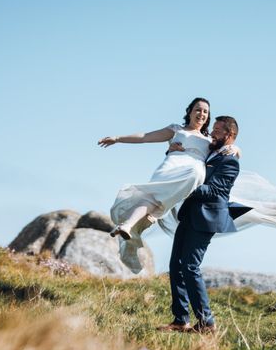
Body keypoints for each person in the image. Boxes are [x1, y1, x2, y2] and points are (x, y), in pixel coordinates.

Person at [98, 98, 238, 273]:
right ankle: (128, 225)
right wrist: (118, 138)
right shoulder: (176, 130)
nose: (201, 114)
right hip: (170, 167)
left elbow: (228, 147)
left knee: (172, 191)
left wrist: (237, 149)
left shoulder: (209, 139)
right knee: (152, 197)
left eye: (205, 112)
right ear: (190, 111)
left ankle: (143, 221)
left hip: (191, 173)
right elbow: (146, 137)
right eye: (198, 110)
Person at [158, 116, 251, 334]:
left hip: (207, 218)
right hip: (189, 214)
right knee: (175, 266)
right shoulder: (211, 151)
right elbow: (190, 160)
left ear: (229, 136)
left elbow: (216, 191)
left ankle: (206, 323)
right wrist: (171, 150)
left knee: (190, 266)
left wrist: (186, 186)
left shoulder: (230, 161)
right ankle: (180, 319)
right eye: (213, 129)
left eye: (217, 130)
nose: (212, 133)